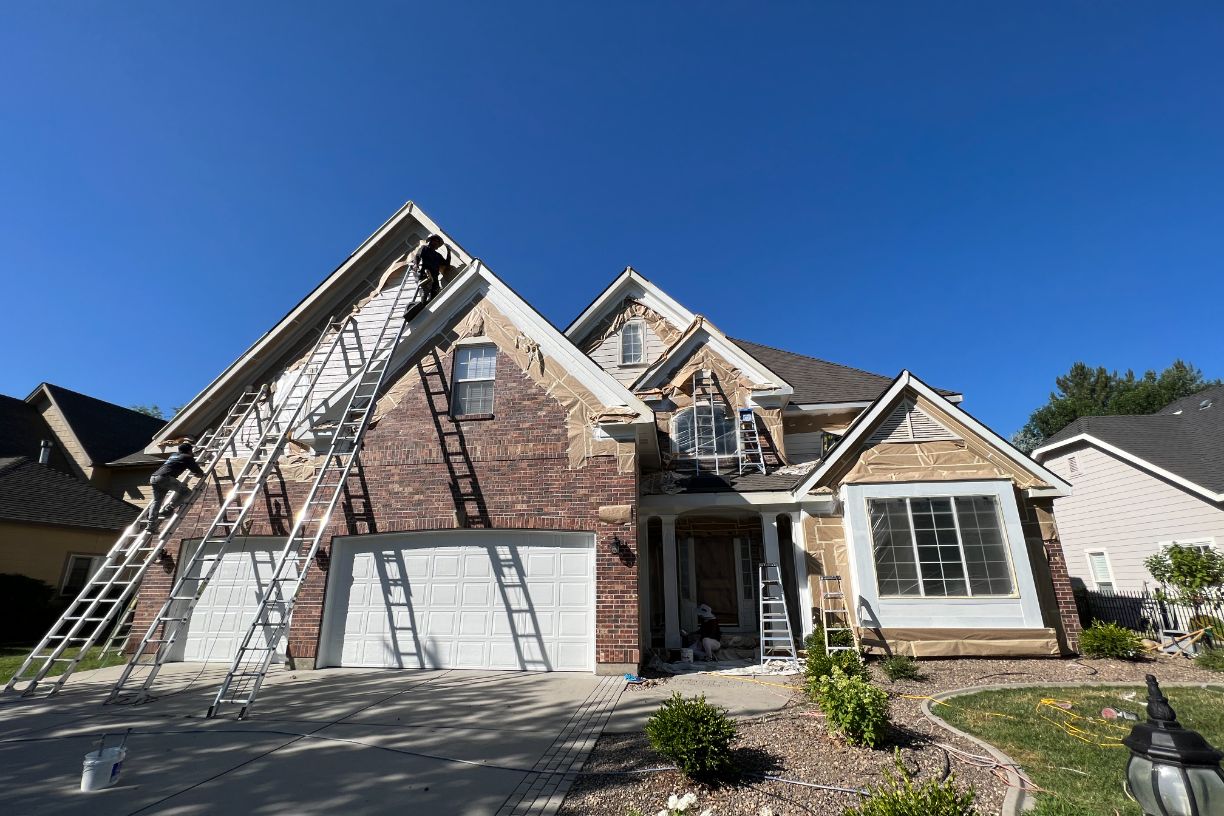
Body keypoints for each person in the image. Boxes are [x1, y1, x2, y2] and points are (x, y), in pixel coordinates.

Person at [145, 442, 205, 532]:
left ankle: (151, 525)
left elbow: (181, 461)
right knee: (186, 492)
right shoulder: (187, 457)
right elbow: (197, 471)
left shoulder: (174, 455)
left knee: (157, 501)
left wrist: (192, 456)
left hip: (154, 477)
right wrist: (201, 473)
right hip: (165, 478)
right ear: (189, 450)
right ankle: (169, 508)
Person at [403, 233, 451, 320]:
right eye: (434, 240)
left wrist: (449, 252)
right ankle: (420, 305)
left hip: (434, 276)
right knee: (425, 291)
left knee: (435, 292)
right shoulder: (424, 248)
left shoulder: (438, 256)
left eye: (437, 241)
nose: (436, 243)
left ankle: (427, 307)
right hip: (424, 273)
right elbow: (417, 257)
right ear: (430, 241)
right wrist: (416, 265)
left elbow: (446, 264)